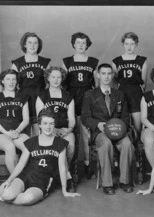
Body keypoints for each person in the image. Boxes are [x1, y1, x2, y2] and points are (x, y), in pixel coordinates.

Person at [0, 109, 81, 204]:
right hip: (26, 175)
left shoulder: (60, 143)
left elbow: (62, 168)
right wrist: (9, 180)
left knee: (27, 199)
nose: (48, 127)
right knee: (8, 195)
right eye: (45, 123)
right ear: (40, 125)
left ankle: (0, 196)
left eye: (51, 123)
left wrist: (64, 190)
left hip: (42, 181)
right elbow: (21, 164)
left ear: (54, 125)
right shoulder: (32, 142)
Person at [81, 63, 135, 195]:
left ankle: (124, 181)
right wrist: (98, 124)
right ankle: (107, 183)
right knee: (105, 144)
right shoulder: (89, 94)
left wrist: (119, 128)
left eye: (109, 73)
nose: (106, 76)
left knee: (127, 144)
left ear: (112, 76)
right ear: (98, 75)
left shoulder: (120, 94)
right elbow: (85, 117)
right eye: (103, 73)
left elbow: (126, 116)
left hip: (118, 131)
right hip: (100, 132)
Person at [62, 32, 99, 177]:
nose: (81, 46)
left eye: (84, 43)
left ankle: (88, 164)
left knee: (86, 133)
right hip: (71, 98)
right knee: (72, 131)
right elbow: (62, 84)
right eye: (78, 43)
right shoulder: (66, 62)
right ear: (73, 44)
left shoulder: (93, 61)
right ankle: (72, 165)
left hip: (87, 99)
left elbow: (96, 85)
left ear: (87, 45)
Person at [36, 66, 76, 192]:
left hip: (64, 129)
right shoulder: (42, 96)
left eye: (59, 77)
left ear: (62, 79)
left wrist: (68, 130)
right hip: (48, 130)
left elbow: (72, 118)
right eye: (53, 77)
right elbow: (40, 120)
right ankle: (67, 178)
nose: (56, 80)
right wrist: (52, 131)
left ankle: (61, 174)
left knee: (70, 145)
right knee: (59, 146)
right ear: (48, 78)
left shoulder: (68, 96)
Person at [0, 69, 29, 173]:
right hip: (1, 133)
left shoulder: (23, 97)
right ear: (2, 81)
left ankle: (24, 176)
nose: (11, 82)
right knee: (10, 147)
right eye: (8, 79)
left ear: (17, 81)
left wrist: (18, 131)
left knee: (30, 147)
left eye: (14, 79)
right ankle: (16, 179)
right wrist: (7, 133)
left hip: (18, 132)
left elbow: (26, 119)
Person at [11, 32, 51, 136]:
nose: (32, 46)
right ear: (24, 45)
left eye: (35, 43)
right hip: (23, 100)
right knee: (24, 135)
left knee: (40, 133)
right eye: (29, 43)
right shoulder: (17, 63)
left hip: (41, 99)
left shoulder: (45, 62)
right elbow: (11, 85)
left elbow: (50, 84)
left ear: (39, 45)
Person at [112, 32, 147, 143]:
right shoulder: (116, 61)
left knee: (138, 127)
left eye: (132, 44)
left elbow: (143, 83)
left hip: (136, 95)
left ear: (136, 44)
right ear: (123, 44)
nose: (129, 46)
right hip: (122, 94)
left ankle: (138, 154)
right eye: (127, 44)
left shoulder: (142, 60)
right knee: (123, 125)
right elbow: (114, 82)